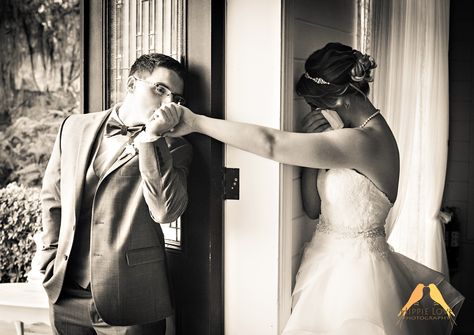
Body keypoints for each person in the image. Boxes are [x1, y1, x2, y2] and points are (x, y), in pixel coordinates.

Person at [165, 43, 464, 334]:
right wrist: (312, 153)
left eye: (315, 105)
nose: (313, 112)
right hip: (323, 264)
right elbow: (312, 209)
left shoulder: (362, 141)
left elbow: (272, 144)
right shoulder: (348, 137)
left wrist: (196, 122)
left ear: (338, 100)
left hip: (357, 283)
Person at [39, 53, 192, 334]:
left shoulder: (175, 147)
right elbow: (53, 197)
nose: (168, 103)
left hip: (131, 297)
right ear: (132, 84)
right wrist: (50, 256)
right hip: (66, 293)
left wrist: (152, 138)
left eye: (176, 98)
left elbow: (164, 211)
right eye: (160, 90)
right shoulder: (73, 127)